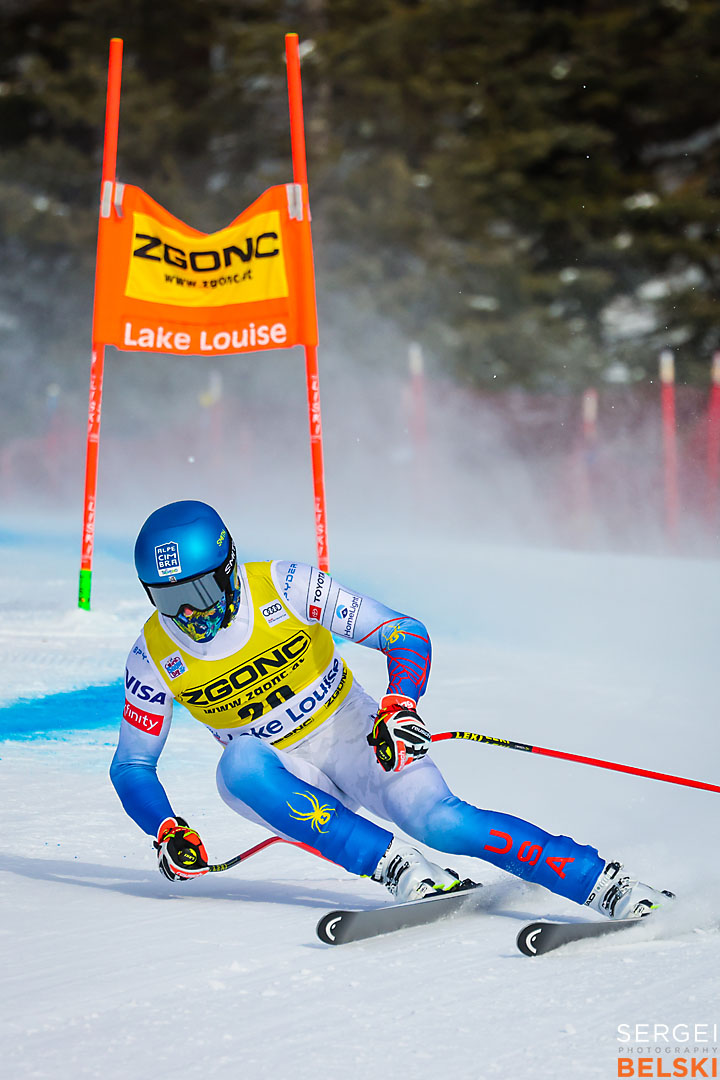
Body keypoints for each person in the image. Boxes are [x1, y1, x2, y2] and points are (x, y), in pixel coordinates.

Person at [111, 500, 672, 919]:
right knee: (238, 764)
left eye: (203, 591)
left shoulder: (283, 585)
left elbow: (402, 631)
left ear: (230, 566)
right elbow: (132, 764)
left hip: (354, 733)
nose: (191, 614)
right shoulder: (153, 652)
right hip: (280, 779)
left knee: (443, 822)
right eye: (168, 599)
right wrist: (165, 830)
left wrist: (400, 705)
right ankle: (394, 868)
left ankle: (605, 884)